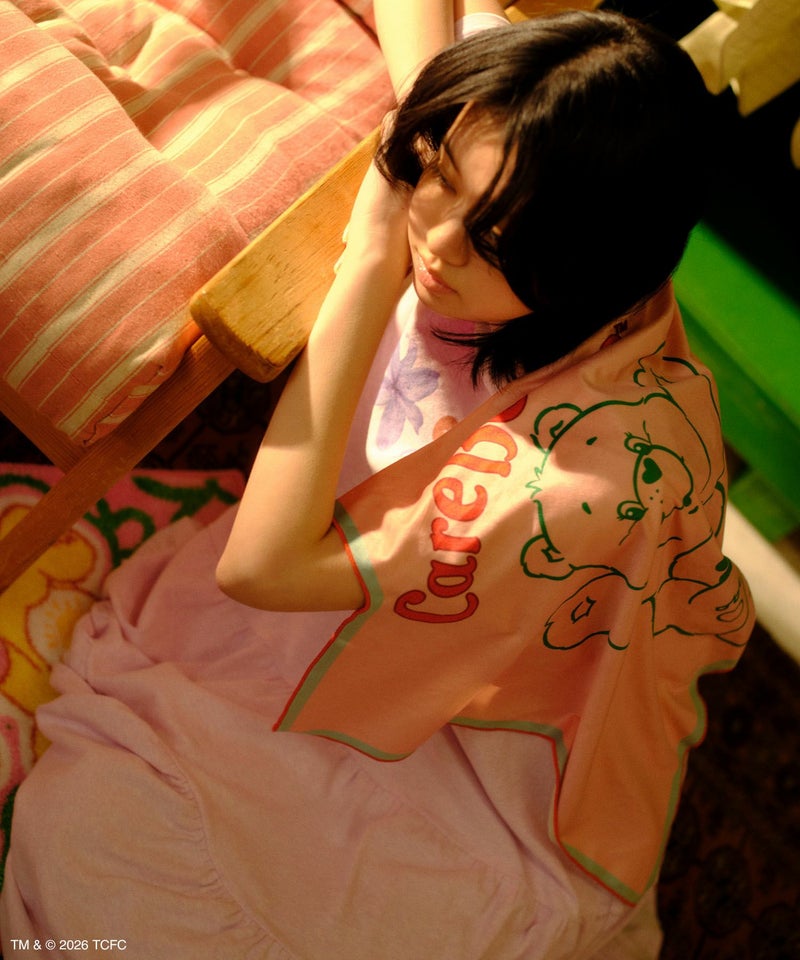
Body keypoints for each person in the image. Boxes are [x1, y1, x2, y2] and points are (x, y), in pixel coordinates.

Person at [0, 4, 754, 958]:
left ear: (582, 264)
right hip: (407, 586)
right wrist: (424, 111)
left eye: (495, 239)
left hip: (483, 740)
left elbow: (258, 570)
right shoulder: (516, 146)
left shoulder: (564, 480)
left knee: (109, 876)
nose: (438, 243)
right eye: (437, 176)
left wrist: (366, 260)